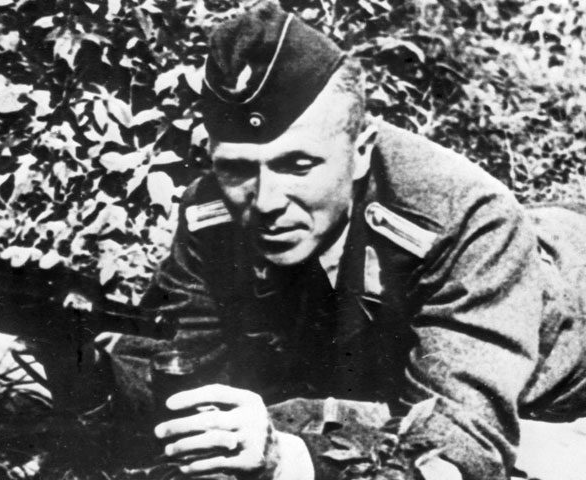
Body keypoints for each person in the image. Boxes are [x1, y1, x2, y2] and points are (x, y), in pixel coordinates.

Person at [100, 2, 586, 479]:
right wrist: (85, 371)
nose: (266, 201)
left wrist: (288, 459)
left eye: (298, 165)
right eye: (237, 168)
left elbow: (459, 445)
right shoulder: (210, 213)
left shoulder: (464, 218)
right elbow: (184, 368)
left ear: (361, 150)